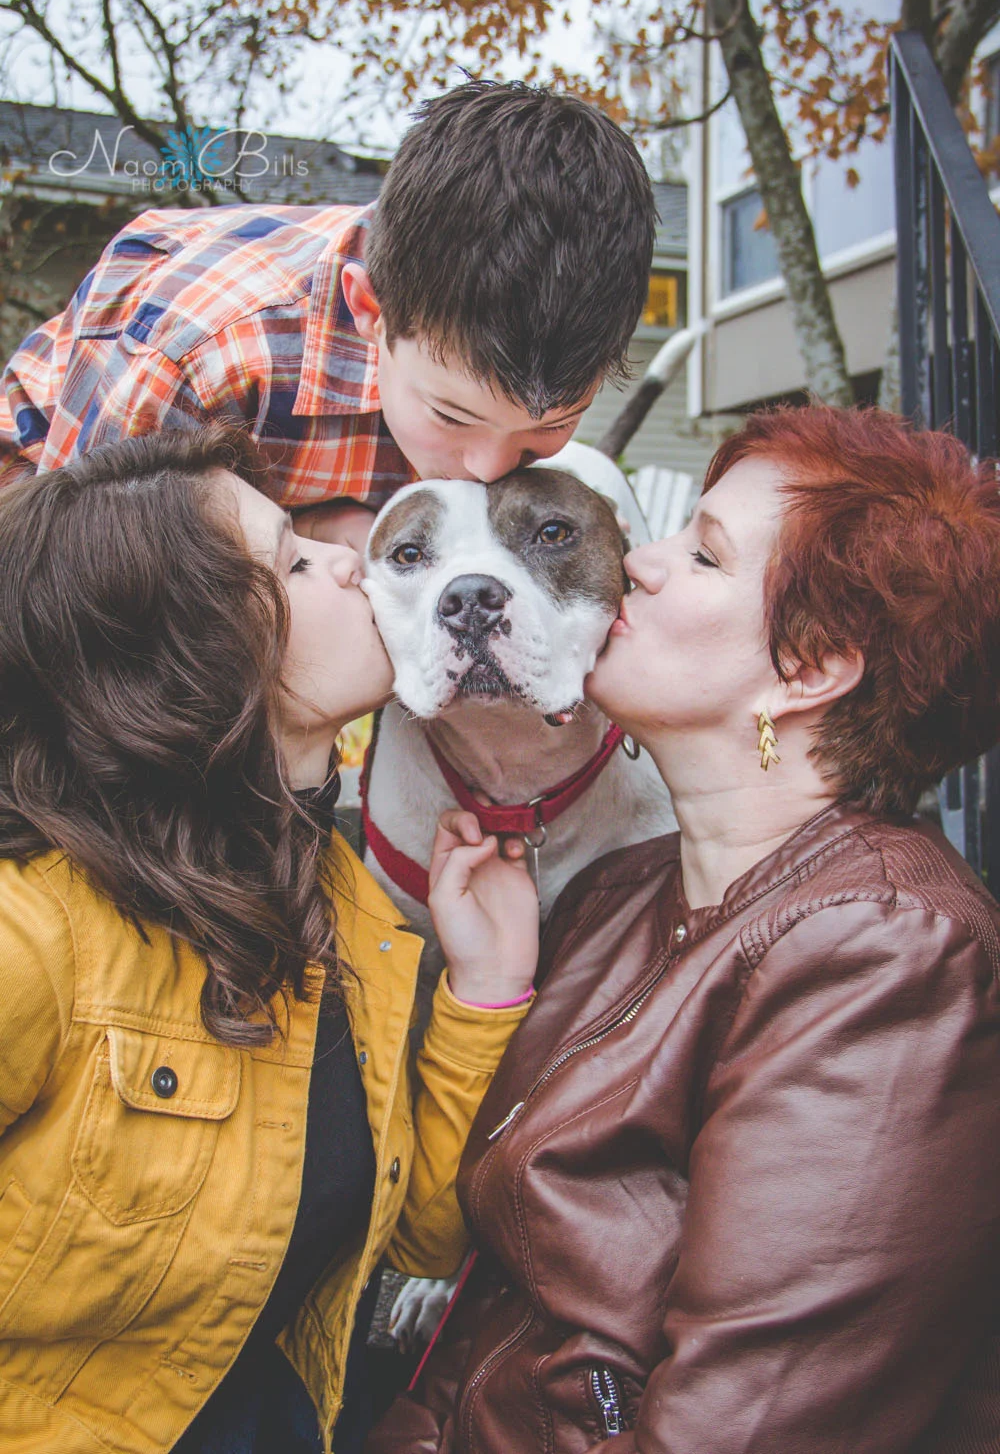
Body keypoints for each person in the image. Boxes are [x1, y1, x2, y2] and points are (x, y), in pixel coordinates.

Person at [386, 403, 1000, 1452]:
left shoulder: (891, 953)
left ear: (809, 668)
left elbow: (743, 1424)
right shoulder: (618, 894)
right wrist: (489, 987)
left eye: (704, 556)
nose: (642, 565)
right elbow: (489, 1295)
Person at [0, 425, 538, 1454]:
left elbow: (421, 1233)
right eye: (291, 560)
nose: (350, 558)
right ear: (182, 659)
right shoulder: (34, 936)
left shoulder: (351, 913)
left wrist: (484, 987)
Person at [0, 81, 655, 549]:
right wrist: (307, 533)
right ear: (369, 309)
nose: (487, 468)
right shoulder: (199, 348)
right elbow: (75, 584)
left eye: (549, 428)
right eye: (452, 417)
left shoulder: (498, 357)